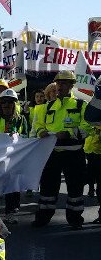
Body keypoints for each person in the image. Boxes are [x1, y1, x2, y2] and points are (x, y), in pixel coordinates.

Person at [32, 70, 90, 229]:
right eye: (58, 83)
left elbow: (87, 127)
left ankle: (75, 218)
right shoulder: (47, 106)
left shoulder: (80, 105)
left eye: (64, 83)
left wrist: (70, 133)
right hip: (51, 153)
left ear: (71, 85)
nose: (59, 86)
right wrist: (40, 131)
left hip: (74, 153)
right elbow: (37, 124)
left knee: (75, 187)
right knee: (47, 186)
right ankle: (43, 217)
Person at [0, 88, 29, 221]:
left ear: (14, 104)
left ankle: (11, 212)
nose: (6, 105)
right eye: (3, 102)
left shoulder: (21, 120)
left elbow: (26, 136)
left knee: (12, 185)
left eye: (10, 102)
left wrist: (16, 137)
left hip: (13, 158)